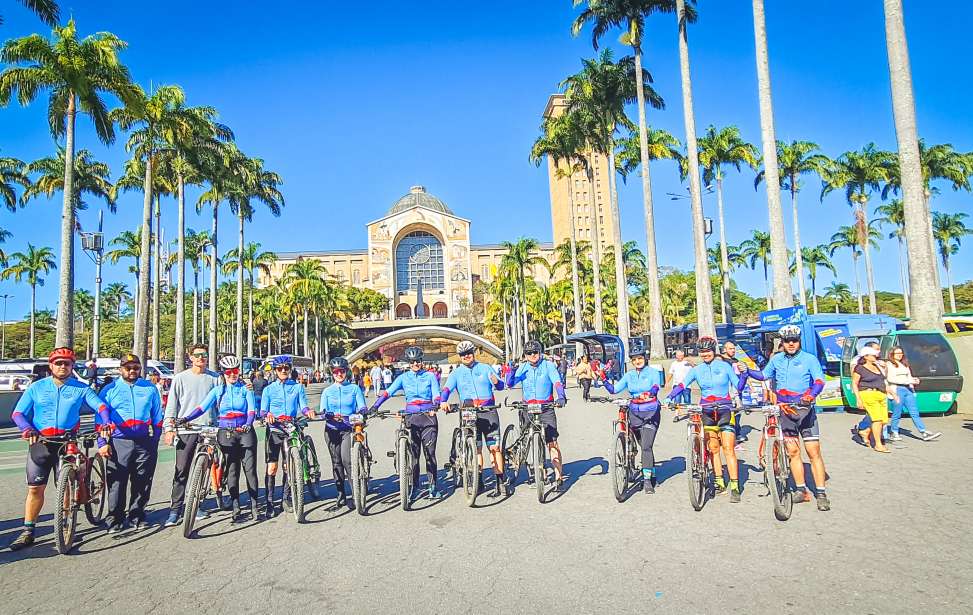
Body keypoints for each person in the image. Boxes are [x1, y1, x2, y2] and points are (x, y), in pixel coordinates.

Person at [8, 348, 112, 551]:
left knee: (66, 486)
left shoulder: (80, 388)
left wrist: (106, 422)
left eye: (67, 363)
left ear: (72, 366)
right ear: (51, 366)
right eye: (58, 363)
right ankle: (28, 530)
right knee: (35, 488)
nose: (62, 367)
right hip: (42, 442)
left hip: (68, 442)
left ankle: (65, 522)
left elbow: (101, 407)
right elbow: (18, 414)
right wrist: (27, 429)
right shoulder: (36, 388)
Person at [744, 325, 831, 511]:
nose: (791, 344)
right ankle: (801, 491)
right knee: (793, 452)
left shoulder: (809, 359)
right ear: (782, 342)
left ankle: (821, 493)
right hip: (785, 410)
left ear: (799, 341)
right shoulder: (776, 360)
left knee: (813, 452)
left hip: (805, 410)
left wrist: (811, 395)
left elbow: (819, 380)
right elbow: (763, 375)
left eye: (794, 340)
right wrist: (747, 371)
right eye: (787, 341)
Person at [177, 356, 259, 522]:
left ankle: (254, 504)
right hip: (226, 432)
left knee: (250, 470)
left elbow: (252, 410)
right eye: (228, 372)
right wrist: (186, 419)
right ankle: (236, 505)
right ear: (223, 373)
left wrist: (249, 424)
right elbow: (202, 407)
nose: (232, 375)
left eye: (235, 371)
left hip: (245, 431)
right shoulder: (218, 391)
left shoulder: (245, 390)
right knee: (232, 469)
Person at [666, 337, 746, 503]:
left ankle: (735, 486)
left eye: (708, 351)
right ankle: (719, 481)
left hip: (724, 409)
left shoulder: (725, 366)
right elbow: (682, 385)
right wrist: (670, 397)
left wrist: (744, 374)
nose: (705, 354)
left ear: (714, 351)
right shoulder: (696, 370)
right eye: (702, 352)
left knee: (728, 449)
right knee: (713, 449)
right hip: (707, 411)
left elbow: (738, 386)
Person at [98, 353, 164, 533]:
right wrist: (102, 442)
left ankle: (137, 514)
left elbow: (157, 415)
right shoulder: (109, 390)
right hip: (119, 440)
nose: (132, 371)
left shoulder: (150, 388)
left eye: (136, 367)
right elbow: (100, 419)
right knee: (117, 482)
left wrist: (155, 439)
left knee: (142, 480)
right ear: (121, 369)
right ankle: (114, 518)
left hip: (144, 440)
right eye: (128, 368)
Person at [370, 346, 444, 500]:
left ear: (422, 361)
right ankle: (415, 486)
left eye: (417, 361)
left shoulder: (430, 376)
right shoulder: (403, 378)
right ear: (409, 363)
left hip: (428, 416)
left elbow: (437, 394)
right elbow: (388, 392)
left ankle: (432, 486)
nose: (415, 364)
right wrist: (375, 405)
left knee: (429, 454)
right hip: (411, 417)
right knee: (415, 455)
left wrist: (436, 403)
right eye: (412, 362)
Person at [439, 341, 507, 497]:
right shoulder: (456, 373)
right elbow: (447, 389)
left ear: (473, 352)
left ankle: (500, 481)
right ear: (460, 357)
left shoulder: (485, 368)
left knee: (494, 448)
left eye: (469, 352)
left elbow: (501, 386)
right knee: (476, 448)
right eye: (463, 354)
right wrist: (443, 401)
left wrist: (497, 382)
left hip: (488, 411)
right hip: (468, 412)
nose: (466, 356)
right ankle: (479, 480)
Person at [161, 343, 219, 527]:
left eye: (204, 354)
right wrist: (169, 428)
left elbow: (221, 405)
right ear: (190, 357)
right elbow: (172, 405)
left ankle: (197, 504)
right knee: (182, 469)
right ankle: (175, 510)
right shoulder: (180, 378)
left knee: (204, 468)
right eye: (197, 355)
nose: (201, 358)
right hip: (186, 429)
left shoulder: (215, 378)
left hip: (208, 429)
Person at [505, 340, 568, 491]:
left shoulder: (548, 365)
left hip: (546, 407)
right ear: (525, 355)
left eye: (535, 352)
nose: (532, 355)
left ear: (540, 353)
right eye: (529, 353)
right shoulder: (523, 367)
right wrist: (512, 371)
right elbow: (509, 384)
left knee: (552, 442)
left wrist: (561, 396)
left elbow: (557, 382)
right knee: (526, 438)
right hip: (528, 407)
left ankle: (559, 477)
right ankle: (530, 463)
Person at [605, 346, 665, 494]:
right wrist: (603, 379)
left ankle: (647, 481)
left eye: (639, 358)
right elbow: (614, 390)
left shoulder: (653, 372)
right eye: (634, 360)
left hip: (651, 412)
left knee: (646, 446)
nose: (637, 361)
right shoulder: (629, 375)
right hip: (634, 413)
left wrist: (650, 392)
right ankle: (651, 470)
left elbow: (656, 386)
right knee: (642, 445)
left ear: (645, 358)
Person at [261, 355, 314, 515]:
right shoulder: (268, 389)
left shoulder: (297, 387)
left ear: (290, 369)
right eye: (280, 369)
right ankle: (269, 502)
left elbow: (303, 406)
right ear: (275, 371)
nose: (283, 371)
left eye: (286, 368)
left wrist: (308, 411)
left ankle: (286, 498)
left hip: (290, 430)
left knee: (287, 467)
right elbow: (263, 410)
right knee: (272, 468)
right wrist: (268, 414)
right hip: (274, 430)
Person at [319, 356, 366, 511]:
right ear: (332, 373)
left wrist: (362, 412)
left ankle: (356, 495)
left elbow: (361, 406)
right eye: (336, 371)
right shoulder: (327, 391)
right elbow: (322, 410)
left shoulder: (354, 388)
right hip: (331, 430)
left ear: (347, 372)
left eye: (342, 371)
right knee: (336, 462)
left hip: (347, 429)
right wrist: (326, 414)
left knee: (347, 461)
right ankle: (340, 495)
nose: (339, 374)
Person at [885, 346, 941, 442]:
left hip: (908, 389)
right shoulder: (889, 364)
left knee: (914, 412)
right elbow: (890, 378)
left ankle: (923, 432)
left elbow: (909, 376)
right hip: (897, 389)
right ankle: (894, 432)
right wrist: (907, 381)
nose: (899, 355)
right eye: (897, 353)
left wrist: (913, 384)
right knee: (897, 413)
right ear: (892, 354)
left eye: (901, 353)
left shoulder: (904, 364)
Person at [852, 346, 893, 453]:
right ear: (866, 356)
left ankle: (865, 431)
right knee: (877, 420)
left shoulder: (878, 366)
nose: (876, 356)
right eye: (873, 355)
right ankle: (878, 445)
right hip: (868, 393)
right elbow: (855, 383)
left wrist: (885, 368)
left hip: (881, 393)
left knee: (884, 420)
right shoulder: (859, 368)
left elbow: (884, 379)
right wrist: (858, 399)